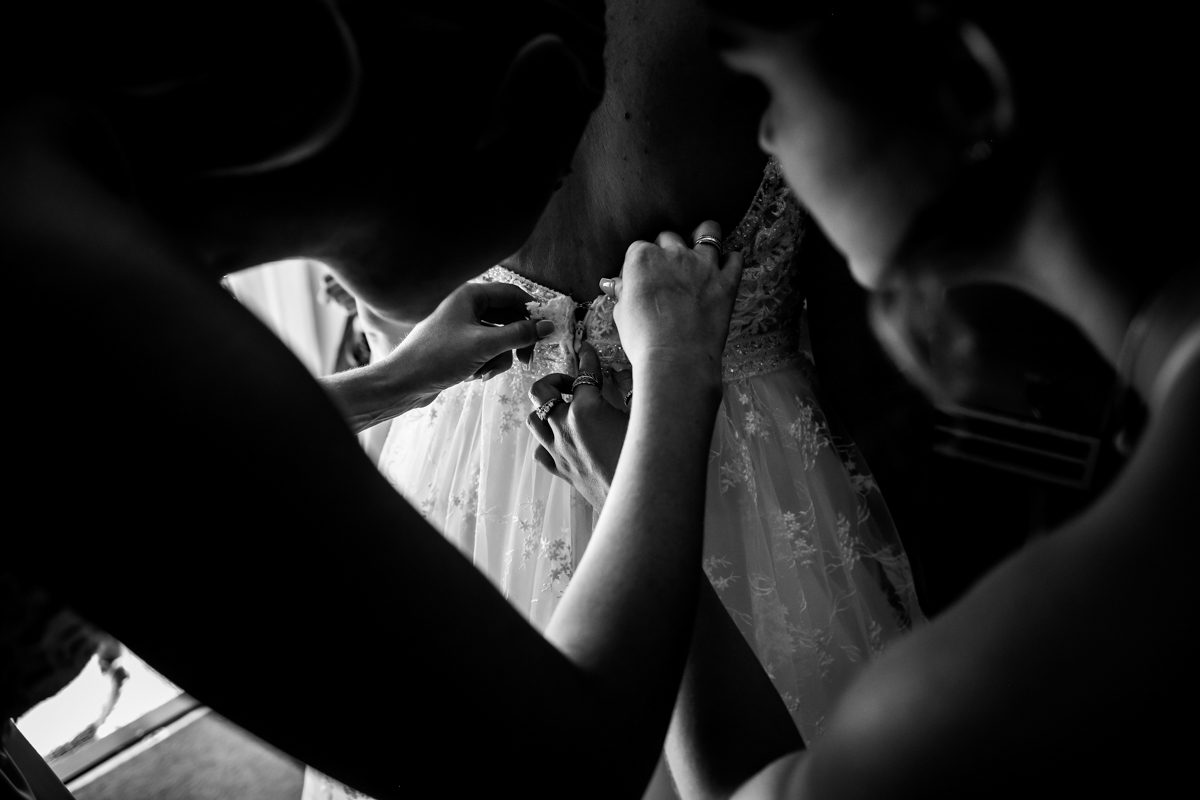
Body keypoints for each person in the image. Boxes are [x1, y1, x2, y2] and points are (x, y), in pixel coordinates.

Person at [0, 2, 748, 798]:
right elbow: (560, 771)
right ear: (529, 102)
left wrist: (394, 380)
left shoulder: (69, 179)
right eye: (555, 169)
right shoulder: (78, 298)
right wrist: (675, 368)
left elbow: (176, 467)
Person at [546, 0, 1193, 796]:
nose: (767, 139)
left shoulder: (1030, 654)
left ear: (966, 84)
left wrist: (641, 470)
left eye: (768, 87)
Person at [366, 0, 923, 758]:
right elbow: (867, 370)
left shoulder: (438, 34)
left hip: (478, 447)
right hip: (753, 471)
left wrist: (397, 374)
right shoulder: (776, 31)